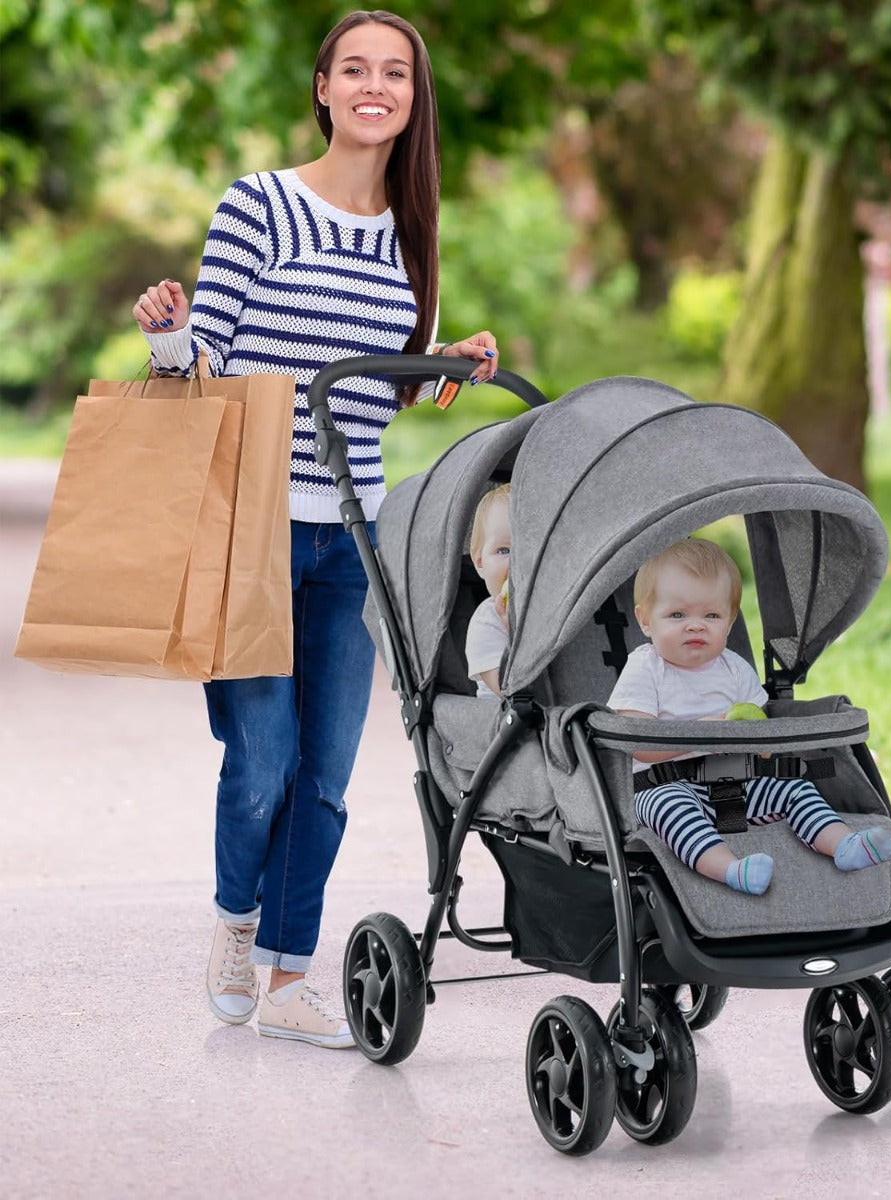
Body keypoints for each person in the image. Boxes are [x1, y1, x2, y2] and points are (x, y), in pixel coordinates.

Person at [132, 10, 501, 1048]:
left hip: (355, 541)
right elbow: (202, 366)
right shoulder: (260, 207)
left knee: (329, 779)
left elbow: (394, 376)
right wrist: (168, 336)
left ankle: (293, 979)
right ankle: (236, 927)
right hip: (249, 526)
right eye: (356, 69)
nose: (375, 86)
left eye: (395, 72)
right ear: (325, 88)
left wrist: (453, 358)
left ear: (411, 98)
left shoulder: (415, 237)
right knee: (264, 764)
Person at [608, 538, 891, 895]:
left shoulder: (734, 669)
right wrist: (701, 734)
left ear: (729, 622)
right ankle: (730, 868)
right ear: (645, 620)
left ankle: (843, 845)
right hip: (666, 784)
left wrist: (761, 748)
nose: (696, 626)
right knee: (670, 809)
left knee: (794, 788)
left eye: (711, 616)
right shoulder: (645, 668)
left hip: (739, 784)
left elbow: (759, 727)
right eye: (678, 615)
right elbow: (636, 743)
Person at [464, 483, 511, 698]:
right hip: (511, 726)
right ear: (480, 563)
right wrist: (517, 630)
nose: (518, 562)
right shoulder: (487, 623)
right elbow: (509, 690)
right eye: (504, 550)